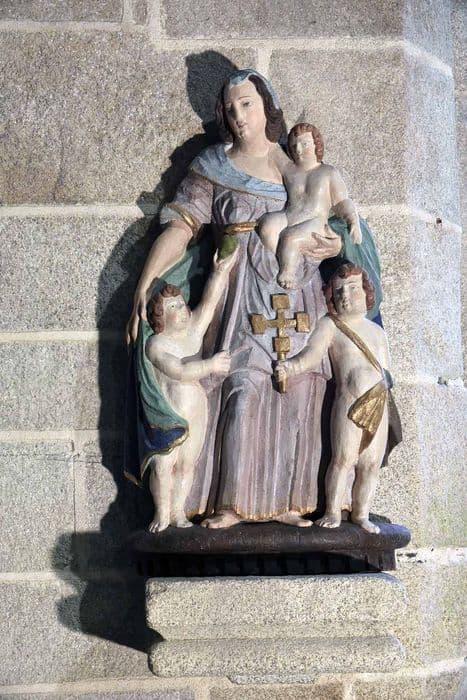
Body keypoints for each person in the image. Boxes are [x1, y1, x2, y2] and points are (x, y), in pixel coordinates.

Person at [126, 69, 343, 528]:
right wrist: (145, 284)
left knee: (299, 391)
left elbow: (332, 218)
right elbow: (181, 227)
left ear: (266, 106)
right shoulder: (213, 165)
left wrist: (335, 243)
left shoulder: (294, 167)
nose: (239, 115)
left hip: (295, 289)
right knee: (242, 388)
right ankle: (229, 504)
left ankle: (290, 502)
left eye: (247, 104)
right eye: (230, 108)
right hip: (237, 290)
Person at [275, 264, 400, 533]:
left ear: (366, 292)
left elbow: (386, 370)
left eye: (353, 288)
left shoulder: (377, 331)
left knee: (371, 464)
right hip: (350, 404)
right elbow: (311, 356)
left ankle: (361, 514)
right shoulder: (330, 325)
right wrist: (291, 367)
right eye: (339, 290)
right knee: (343, 460)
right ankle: (332, 511)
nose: (345, 295)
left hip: (378, 404)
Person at [144, 250, 236, 532]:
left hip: (197, 407)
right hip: (169, 413)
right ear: (159, 316)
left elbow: (209, 303)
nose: (182, 310)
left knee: (187, 464)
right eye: (172, 307)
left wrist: (220, 270)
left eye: (181, 304)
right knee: (163, 465)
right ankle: (161, 513)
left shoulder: (193, 331)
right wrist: (211, 365)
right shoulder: (157, 344)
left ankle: (178, 512)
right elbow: (179, 370)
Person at [258, 122, 362, 290]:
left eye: (304, 144)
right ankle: (280, 261)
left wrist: (353, 220)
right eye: (294, 146)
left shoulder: (328, 172)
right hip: (289, 216)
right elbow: (273, 151)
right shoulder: (290, 169)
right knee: (267, 226)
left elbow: (341, 202)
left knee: (291, 238)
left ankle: (288, 273)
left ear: (316, 144)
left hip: (315, 222)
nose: (298, 150)